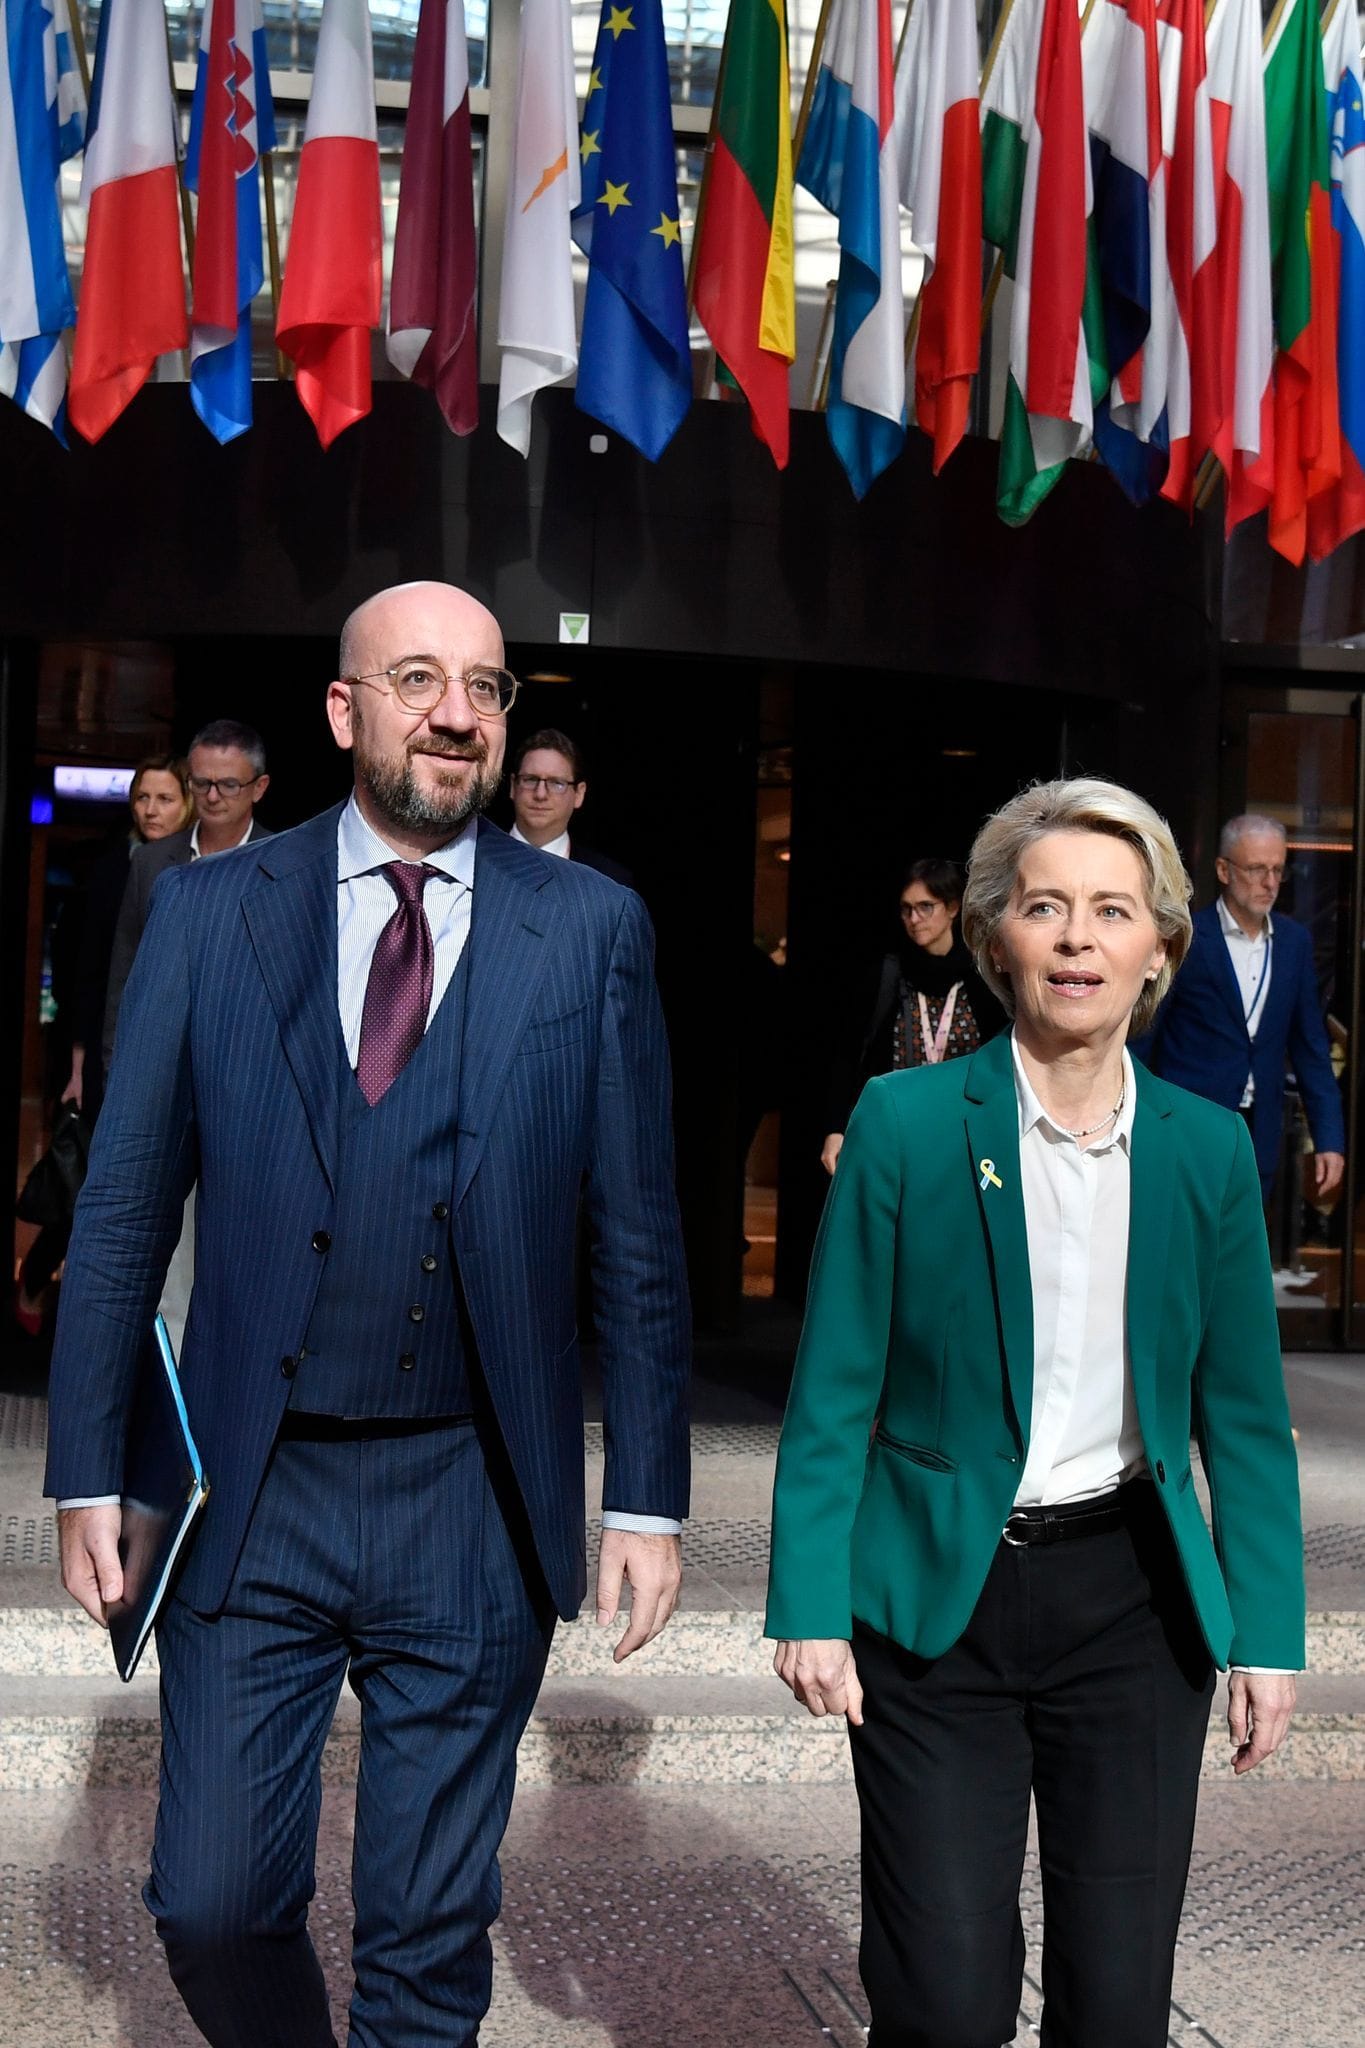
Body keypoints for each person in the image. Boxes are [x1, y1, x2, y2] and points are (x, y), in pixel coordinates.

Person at [45, 581, 691, 2048]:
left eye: (485, 686)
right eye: (416, 678)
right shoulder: (215, 913)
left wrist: (647, 1496)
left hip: (471, 1490)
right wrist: (90, 1462)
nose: (457, 711)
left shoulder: (591, 930)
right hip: (249, 1491)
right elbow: (128, 1203)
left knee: (425, 1932)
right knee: (207, 1902)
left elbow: (638, 1235)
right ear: (346, 712)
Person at [768, 778, 1303, 2048]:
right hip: (934, 1601)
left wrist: (1269, 1629)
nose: (1078, 937)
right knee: (945, 1997)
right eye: (1047, 907)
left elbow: (1242, 1412)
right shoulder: (905, 1125)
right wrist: (805, 1601)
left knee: (1118, 2004)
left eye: (1113, 911)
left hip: (1132, 1605)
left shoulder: (1204, 1150)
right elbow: (835, 1381)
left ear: (1160, 948)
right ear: (998, 934)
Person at [14, 755, 193, 1337]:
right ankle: (43, 1285)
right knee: (93, 1181)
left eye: (164, 799)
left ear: (186, 803)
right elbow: (90, 974)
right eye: (143, 798)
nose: (151, 810)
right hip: (105, 1049)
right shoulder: (114, 867)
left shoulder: (195, 866)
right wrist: (78, 1064)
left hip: (168, 1048)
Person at [1138, 812, 1345, 1205]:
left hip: (1259, 1132)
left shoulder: (1294, 943)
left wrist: (1329, 1137)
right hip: (1188, 1124)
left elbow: (1310, 1047)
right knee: (1186, 1248)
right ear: (1223, 869)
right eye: (1256, 869)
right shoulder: (1189, 938)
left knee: (1241, 1253)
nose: (1269, 883)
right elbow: (1146, 1033)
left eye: (1277, 870)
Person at [101, 718, 273, 1077]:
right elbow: (125, 972)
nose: (212, 796)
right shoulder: (150, 862)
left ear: (259, 787)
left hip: (247, 1069)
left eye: (228, 784)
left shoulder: (285, 866)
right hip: (159, 1067)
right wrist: (114, 1067)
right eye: (201, 783)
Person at [821, 857, 1007, 1176]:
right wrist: (836, 1128)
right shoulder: (889, 974)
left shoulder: (981, 979)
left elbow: (1003, 1058)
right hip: (897, 1131)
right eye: (906, 909)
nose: (914, 919)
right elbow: (848, 1055)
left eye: (925, 907)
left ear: (951, 908)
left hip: (964, 1134)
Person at [508, 725, 633, 884]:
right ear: (513, 786)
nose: (540, 794)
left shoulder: (610, 879)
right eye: (530, 779)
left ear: (579, 794)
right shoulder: (475, 858)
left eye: (556, 783)